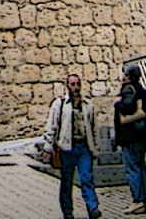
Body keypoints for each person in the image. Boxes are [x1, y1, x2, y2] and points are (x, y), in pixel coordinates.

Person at [43, 73, 102, 219]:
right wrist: (48, 146)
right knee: (67, 180)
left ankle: (92, 207)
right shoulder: (60, 104)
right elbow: (52, 125)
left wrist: (96, 148)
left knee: (86, 177)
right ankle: (67, 211)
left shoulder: (88, 105)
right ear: (68, 86)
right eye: (72, 84)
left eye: (77, 84)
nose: (76, 87)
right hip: (67, 147)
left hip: (83, 147)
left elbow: (94, 127)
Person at [113, 62, 146, 215]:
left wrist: (118, 104)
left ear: (127, 75)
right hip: (142, 137)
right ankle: (145, 201)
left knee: (132, 168)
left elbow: (128, 106)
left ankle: (137, 201)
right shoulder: (142, 90)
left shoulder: (128, 89)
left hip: (130, 137)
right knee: (141, 168)